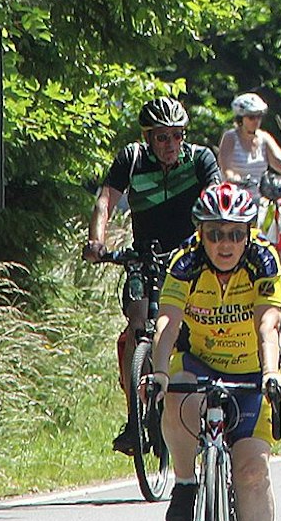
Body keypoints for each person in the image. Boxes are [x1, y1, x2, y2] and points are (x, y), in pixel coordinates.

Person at [142, 183, 281, 521]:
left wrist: (270, 373)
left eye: (235, 234)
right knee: (174, 396)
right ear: (200, 234)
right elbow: (167, 322)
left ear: (248, 234)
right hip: (200, 364)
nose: (225, 244)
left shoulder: (264, 260)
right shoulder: (184, 263)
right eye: (215, 234)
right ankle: (186, 482)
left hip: (251, 371)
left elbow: (268, 324)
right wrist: (159, 371)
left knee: (252, 471)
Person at [85, 97, 222, 454]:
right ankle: (134, 420)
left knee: (196, 327)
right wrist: (97, 242)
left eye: (177, 136)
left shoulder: (200, 160)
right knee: (137, 326)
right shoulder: (131, 160)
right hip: (144, 256)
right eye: (162, 137)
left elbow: (215, 200)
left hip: (190, 257)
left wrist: (212, 240)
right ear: (147, 138)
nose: (170, 144)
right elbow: (105, 200)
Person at [218, 92, 281, 190]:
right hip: (236, 195)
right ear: (240, 118)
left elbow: (279, 160)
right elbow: (226, 169)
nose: (256, 121)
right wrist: (236, 179)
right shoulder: (230, 137)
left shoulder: (264, 138)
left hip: (261, 195)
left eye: (259, 116)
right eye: (251, 117)